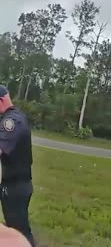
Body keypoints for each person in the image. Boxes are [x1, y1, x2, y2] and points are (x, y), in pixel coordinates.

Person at [0, 85, 35, 246]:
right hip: (14, 184)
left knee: (19, 233)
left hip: (15, 186)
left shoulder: (11, 121)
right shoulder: (15, 116)